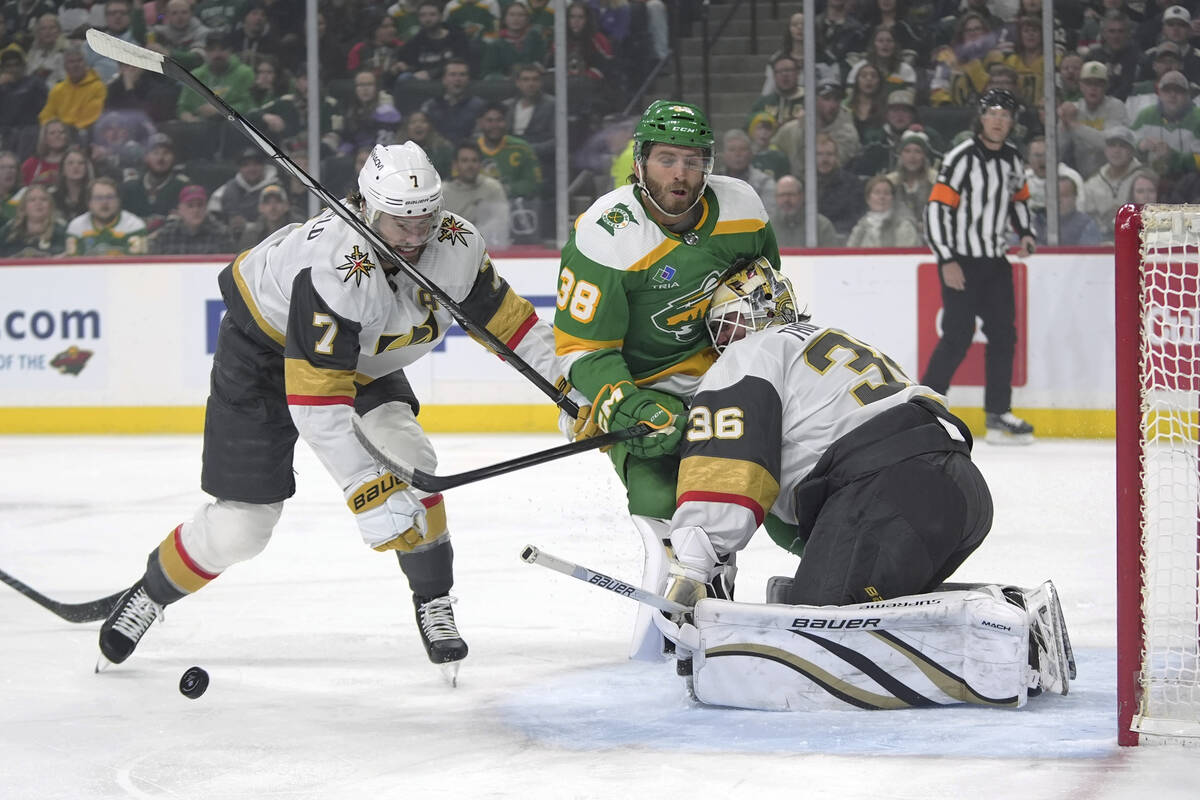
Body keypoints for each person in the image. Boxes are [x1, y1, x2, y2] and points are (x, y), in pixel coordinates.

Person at [96, 142, 564, 681]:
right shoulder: (338, 269)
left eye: (425, 218)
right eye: (400, 222)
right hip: (262, 355)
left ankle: (433, 599)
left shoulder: (454, 241)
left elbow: (513, 326)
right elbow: (317, 403)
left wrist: (570, 391)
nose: (417, 236)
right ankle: (151, 592)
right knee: (243, 527)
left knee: (412, 461)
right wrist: (365, 488)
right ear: (367, 208)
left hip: (360, 354)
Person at [653, 257, 1073, 711]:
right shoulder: (822, 341)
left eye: (727, 324)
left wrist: (691, 569)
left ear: (755, 313)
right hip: (958, 489)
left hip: (890, 492)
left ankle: (1008, 642)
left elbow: (727, 475)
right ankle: (1005, 610)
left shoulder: (749, 355)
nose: (723, 340)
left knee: (816, 646)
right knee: (857, 610)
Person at [552, 100, 779, 660]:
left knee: (781, 482)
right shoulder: (606, 233)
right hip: (642, 386)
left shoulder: (742, 208)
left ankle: (835, 588)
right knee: (664, 498)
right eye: (667, 160)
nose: (680, 173)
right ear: (640, 164)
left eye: (693, 160)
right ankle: (677, 611)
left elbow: (770, 296)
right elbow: (582, 349)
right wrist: (624, 405)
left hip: (724, 382)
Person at [923, 89, 1037, 445]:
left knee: (1004, 335)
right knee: (958, 335)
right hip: (962, 260)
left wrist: (1027, 232)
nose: (999, 120)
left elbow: (1019, 198)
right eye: (993, 113)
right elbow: (937, 210)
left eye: (1006, 114)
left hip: (996, 261)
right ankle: (926, 408)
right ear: (982, 117)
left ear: (1012, 121)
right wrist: (946, 258)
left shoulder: (1014, 159)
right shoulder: (960, 158)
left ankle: (998, 414)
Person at [442, 139, 510, 249]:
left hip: (489, 250)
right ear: (455, 165)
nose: (470, 165)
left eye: (474, 161)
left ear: (480, 165)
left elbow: (502, 223)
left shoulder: (493, 188)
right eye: (465, 161)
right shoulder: (443, 192)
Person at [65, 176, 148, 255]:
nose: (104, 202)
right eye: (98, 198)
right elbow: (73, 265)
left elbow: (135, 265)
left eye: (110, 197)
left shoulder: (134, 225)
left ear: (119, 201)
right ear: (89, 203)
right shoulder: (76, 226)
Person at [147, 183, 235, 254]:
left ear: (206, 208)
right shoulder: (165, 235)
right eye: (190, 206)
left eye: (200, 205)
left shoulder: (222, 234)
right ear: (180, 209)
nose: (196, 210)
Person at [845, 175, 921, 248]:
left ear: (892, 199)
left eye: (886, 193)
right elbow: (849, 255)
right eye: (877, 193)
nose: (882, 197)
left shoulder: (904, 226)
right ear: (868, 199)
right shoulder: (860, 227)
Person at [769, 173, 839, 248]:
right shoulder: (766, 227)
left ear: (802, 196)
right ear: (775, 197)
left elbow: (832, 257)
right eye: (782, 195)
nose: (786, 199)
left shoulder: (822, 225)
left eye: (791, 194)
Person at [0, 182, 66, 257]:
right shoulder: (8, 231)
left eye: (43, 199)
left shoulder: (61, 231)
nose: (38, 203)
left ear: (50, 206)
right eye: (32, 200)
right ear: (24, 208)